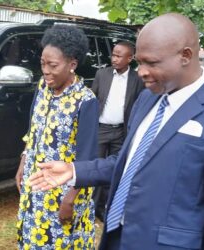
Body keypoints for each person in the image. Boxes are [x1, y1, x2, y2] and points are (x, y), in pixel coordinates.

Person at [29, 13, 204, 250]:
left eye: (151, 63)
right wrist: (75, 170)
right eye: (139, 62)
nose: (140, 72)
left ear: (186, 56)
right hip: (117, 237)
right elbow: (129, 164)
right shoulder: (147, 99)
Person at [15, 24, 99, 249]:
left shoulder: (86, 100)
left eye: (53, 65)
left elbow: (88, 159)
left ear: (72, 64)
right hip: (36, 182)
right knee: (33, 237)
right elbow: (33, 128)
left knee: (60, 241)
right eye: (43, 63)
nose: (46, 71)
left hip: (65, 190)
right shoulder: (43, 87)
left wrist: (69, 200)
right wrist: (24, 161)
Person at [91, 41, 144, 221]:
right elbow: (93, 100)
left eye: (119, 56)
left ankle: (102, 207)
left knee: (113, 171)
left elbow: (138, 106)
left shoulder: (137, 80)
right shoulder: (102, 74)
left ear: (130, 58)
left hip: (121, 132)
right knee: (95, 168)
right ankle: (90, 205)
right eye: (113, 54)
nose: (114, 59)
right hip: (101, 130)